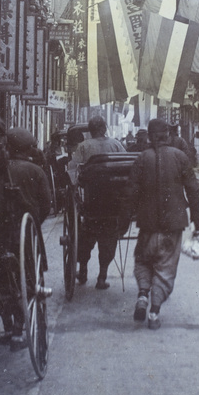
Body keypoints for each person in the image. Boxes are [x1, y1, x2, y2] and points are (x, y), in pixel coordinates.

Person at [128, 118, 199, 329]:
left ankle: (143, 294)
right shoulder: (180, 157)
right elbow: (193, 191)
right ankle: (154, 313)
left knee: (143, 260)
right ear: (168, 136)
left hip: (147, 223)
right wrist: (197, 221)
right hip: (173, 225)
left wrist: (125, 218)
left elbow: (131, 191)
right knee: (166, 267)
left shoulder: (142, 158)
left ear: (149, 138)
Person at [0, 127, 53, 349]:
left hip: (1, 233)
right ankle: (17, 333)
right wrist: (34, 222)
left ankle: (9, 327)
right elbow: (47, 204)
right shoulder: (36, 171)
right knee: (27, 281)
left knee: (4, 280)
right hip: (26, 233)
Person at [70, 115, 127, 288]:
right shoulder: (116, 144)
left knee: (86, 236)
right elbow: (126, 166)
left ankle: (83, 271)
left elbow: (73, 170)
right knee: (109, 237)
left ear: (91, 130)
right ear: (104, 128)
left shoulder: (84, 146)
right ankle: (102, 277)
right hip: (114, 200)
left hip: (92, 200)